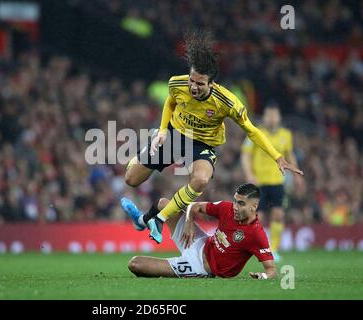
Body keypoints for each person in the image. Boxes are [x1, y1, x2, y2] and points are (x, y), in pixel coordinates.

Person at [123, 30, 303, 244]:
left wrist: (277, 156)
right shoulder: (177, 84)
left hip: (203, 144)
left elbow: (253, 130)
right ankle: (145, 214)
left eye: (200, 84)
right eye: (192, 81)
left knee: (200, 179)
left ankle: (158, 218)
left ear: (212, 84)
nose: (193, 87)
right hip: (175, 135)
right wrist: (162, 130)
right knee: (131, 179)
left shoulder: (227, 102)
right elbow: (171, 101)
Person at [122, 183, 277, 279]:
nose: (235, 206)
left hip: (199, 266)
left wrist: (263, 276)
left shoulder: (256, 234)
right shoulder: (226, 208)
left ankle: (175, 269)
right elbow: (193, 206)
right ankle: (141, 221)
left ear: (254, 207)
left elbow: (271, 269)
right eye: (235, 201)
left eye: (241, 203)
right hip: (198, 242)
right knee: (164, 204)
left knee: (135, 264)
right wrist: (189, 222)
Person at [241, 105, 304, 261]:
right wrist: (249, 174)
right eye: (268, 115)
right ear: (264, 117)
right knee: (258, 217)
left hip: (277, 181)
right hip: (259, 182)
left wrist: (296, 175)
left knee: (278, 215)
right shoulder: (255, 133)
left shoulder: (286, 135)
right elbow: (245, 155)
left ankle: (273, 250)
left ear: (279, 117)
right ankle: (256, 248)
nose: (271, 118)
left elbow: (289, 155)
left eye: (274, 115)